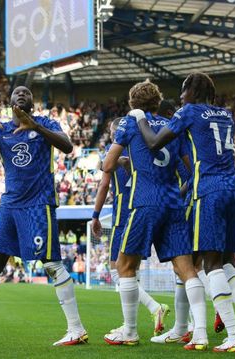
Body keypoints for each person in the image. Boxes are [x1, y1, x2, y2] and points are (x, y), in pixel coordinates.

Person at [136, 72, 235, 352]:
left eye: (183, 90)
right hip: (234, 189)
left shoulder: (189, 111)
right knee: (229, 263)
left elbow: (154, 142)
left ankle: (231, 333)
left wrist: (139, 117)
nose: (180, 97)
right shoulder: (226, 114)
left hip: (209, 190)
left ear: (192, 90)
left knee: (210, 264)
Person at [0, 86, 87, 346]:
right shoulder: (0, 129)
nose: (22, 94)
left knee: (51, 264)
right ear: (9, 102)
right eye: (17, 92)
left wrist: (35, 127)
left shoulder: (45, 123)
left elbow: (67, 146)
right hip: (10, 205)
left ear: (32, 103)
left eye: (27, 93)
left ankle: (76, 329)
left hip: (38, 204)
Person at [102, 80, 208, 350]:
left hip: (145, 202)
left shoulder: (129, 123)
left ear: (132, 104)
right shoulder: (173, 125)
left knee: (124, 266)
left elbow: (108, 164)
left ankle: (130, 330)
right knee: (186, 269)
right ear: (158, 102)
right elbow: (189, 167)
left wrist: (127, 159)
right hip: (173, 203)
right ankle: (201, 334)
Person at [91, 117, 170, 337]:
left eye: (112, 130)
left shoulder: (112, 153)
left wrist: (95, 215)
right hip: (150, 207)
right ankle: (184, 322)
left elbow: (105, 184)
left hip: (123, 215)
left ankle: (148, 313)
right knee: (129, 270)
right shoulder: (143, 148)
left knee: (118, 270)